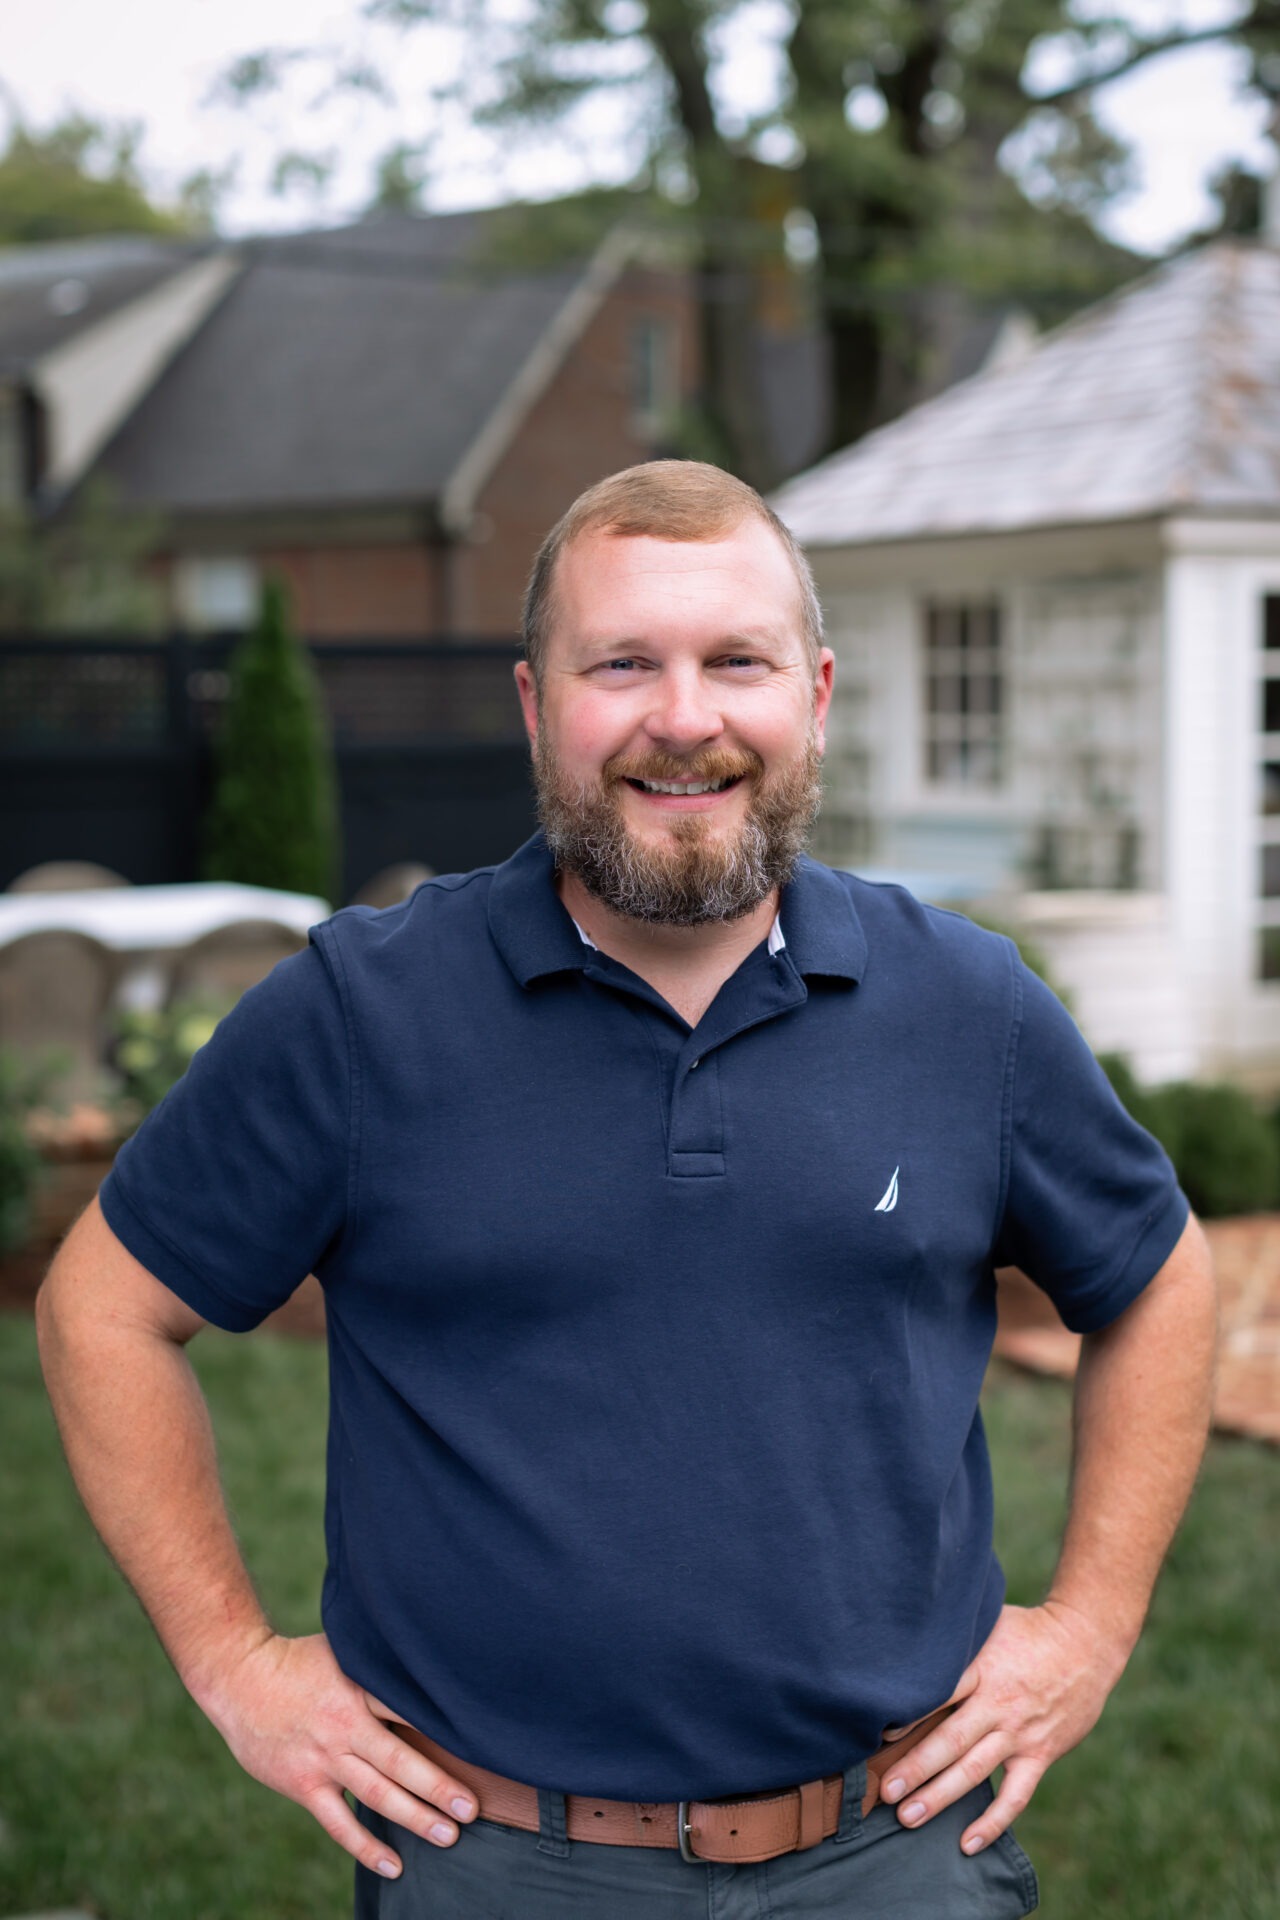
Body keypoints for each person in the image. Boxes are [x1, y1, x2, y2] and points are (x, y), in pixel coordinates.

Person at [38, 461, 1216, 1919]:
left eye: (738, 661)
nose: (685, 716)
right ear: (538, 705)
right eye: (623, 665)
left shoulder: (967, 1007)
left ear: (818, 693)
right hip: (496, 1860)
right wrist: (233, 1663)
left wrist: (1092, 1629)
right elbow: (101, 1307)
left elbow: (1158, 1277)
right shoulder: (362, 1014)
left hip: (895, 1853)